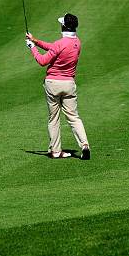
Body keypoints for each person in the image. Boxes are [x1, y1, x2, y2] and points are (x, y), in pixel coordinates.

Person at [25, 13, 90, 160]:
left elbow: (42, 60)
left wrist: (32, 47)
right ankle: (84, 145)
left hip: (53, 84)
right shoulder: (77, 43)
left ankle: (55, 151)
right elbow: (54, 47)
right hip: (69, 84)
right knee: (74, 117)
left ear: (64, 26)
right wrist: (35, 40)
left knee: (53, 118)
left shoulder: (60, 44)